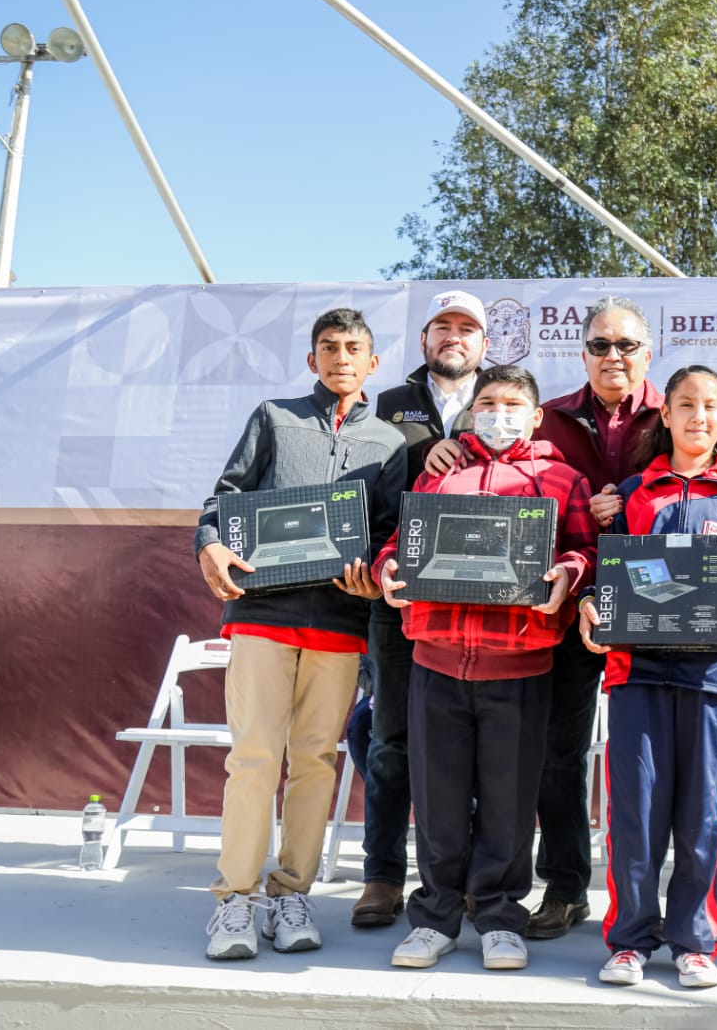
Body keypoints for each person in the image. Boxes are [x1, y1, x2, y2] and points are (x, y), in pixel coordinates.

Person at [194, 308, 407, 960]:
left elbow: (392, 533)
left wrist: (376, 575)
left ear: (373, 363)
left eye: (354, 348)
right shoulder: (272, 416)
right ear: (311, 359)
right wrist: (210, 546)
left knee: (315, 763)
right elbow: (221, 501)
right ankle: (234, 901)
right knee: (254, 758)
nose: (341, 357)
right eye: (328, 347)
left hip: (341, 626)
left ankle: (291, 893)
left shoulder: (392, 444)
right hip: (263, 615)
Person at [373, 364, 597, 972]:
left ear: (534, 415)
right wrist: (386, 570)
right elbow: (402, 544)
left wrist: (570, 575)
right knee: (438, 798)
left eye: (512, 404)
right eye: (488, 402)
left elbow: (585, 551)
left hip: (520, 665)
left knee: (510, 801)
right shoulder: (439, 475)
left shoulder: (561, 479)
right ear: (472, 411)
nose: (499, 413)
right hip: (436, 661)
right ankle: (436, 918)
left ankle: (500, 918)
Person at [578, 365, 717, 989]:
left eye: (711, 406)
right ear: (663, 415)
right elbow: (607, 574)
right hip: (636, 671)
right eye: (685, 405)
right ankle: (629, 941)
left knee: (700, 816)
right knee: (634, 812)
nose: (698, 416)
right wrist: (593, 603)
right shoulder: (633, 491)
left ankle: (695, 942)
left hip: (714, 675)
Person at [525, 297, 664, 940]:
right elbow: (514, 498)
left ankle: (661, 899)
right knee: (561, 750)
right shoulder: (544, 420)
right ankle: (564, 887)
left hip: (662, 602)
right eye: (601, 345)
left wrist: (628, 504)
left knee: (661, 756)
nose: (614, 356)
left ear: (648, 352)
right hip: (570, 598)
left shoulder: (680, 414)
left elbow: (713, 491)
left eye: (627, 345)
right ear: (581, 353)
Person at [354, 289, 489, 929]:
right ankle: (381, 875)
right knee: (388, 740)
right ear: (425, 341)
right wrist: (417, 462)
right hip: (402, 600)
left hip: (479, 604)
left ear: (484, 345)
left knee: (475, 743)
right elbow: (369, 503)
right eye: (443, 327)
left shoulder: (505, 403)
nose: (454, 337)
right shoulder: (387, 408)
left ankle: (467, 879)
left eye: (467, 328)